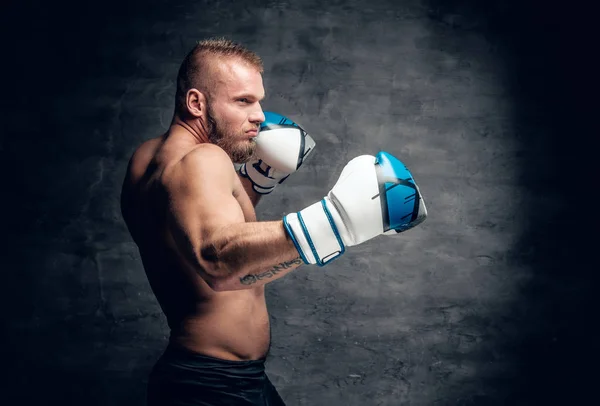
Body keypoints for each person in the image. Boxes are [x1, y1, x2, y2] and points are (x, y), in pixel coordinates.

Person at [120, 38, 427, 406]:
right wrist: (335, 222)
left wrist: (254, 182)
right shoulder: (203, 159)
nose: (260, 115)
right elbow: (216, 261)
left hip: (208, 379)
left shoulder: (146, 159)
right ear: (196, 103)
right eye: (243, 101)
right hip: (212, 387)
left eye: (258, 100)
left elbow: (189, 226)